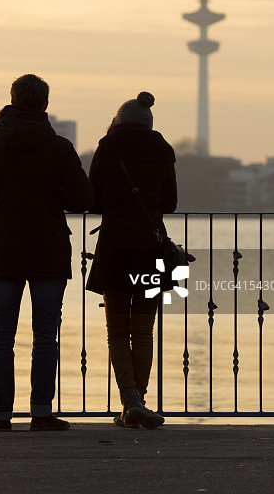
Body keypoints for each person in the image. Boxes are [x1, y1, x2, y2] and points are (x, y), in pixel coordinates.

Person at [0, 73, 93, 432]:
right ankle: (41, 412)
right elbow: (82, 200)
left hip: (5, 249)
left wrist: (4, 200)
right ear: (45, 105)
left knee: (2, 334)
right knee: (45, 335)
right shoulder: (61, 148)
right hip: (49, 251)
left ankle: (0, 414)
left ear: (13, 101)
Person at [86, 91, 177, 429]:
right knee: (142, 331)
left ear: (119, 120)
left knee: (116, 331)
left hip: (115, 250)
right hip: (150, 251)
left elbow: (92, 200)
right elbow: (169, 203)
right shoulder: (163, 150)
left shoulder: (108, 147)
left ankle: (130, 401)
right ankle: (138, 402)